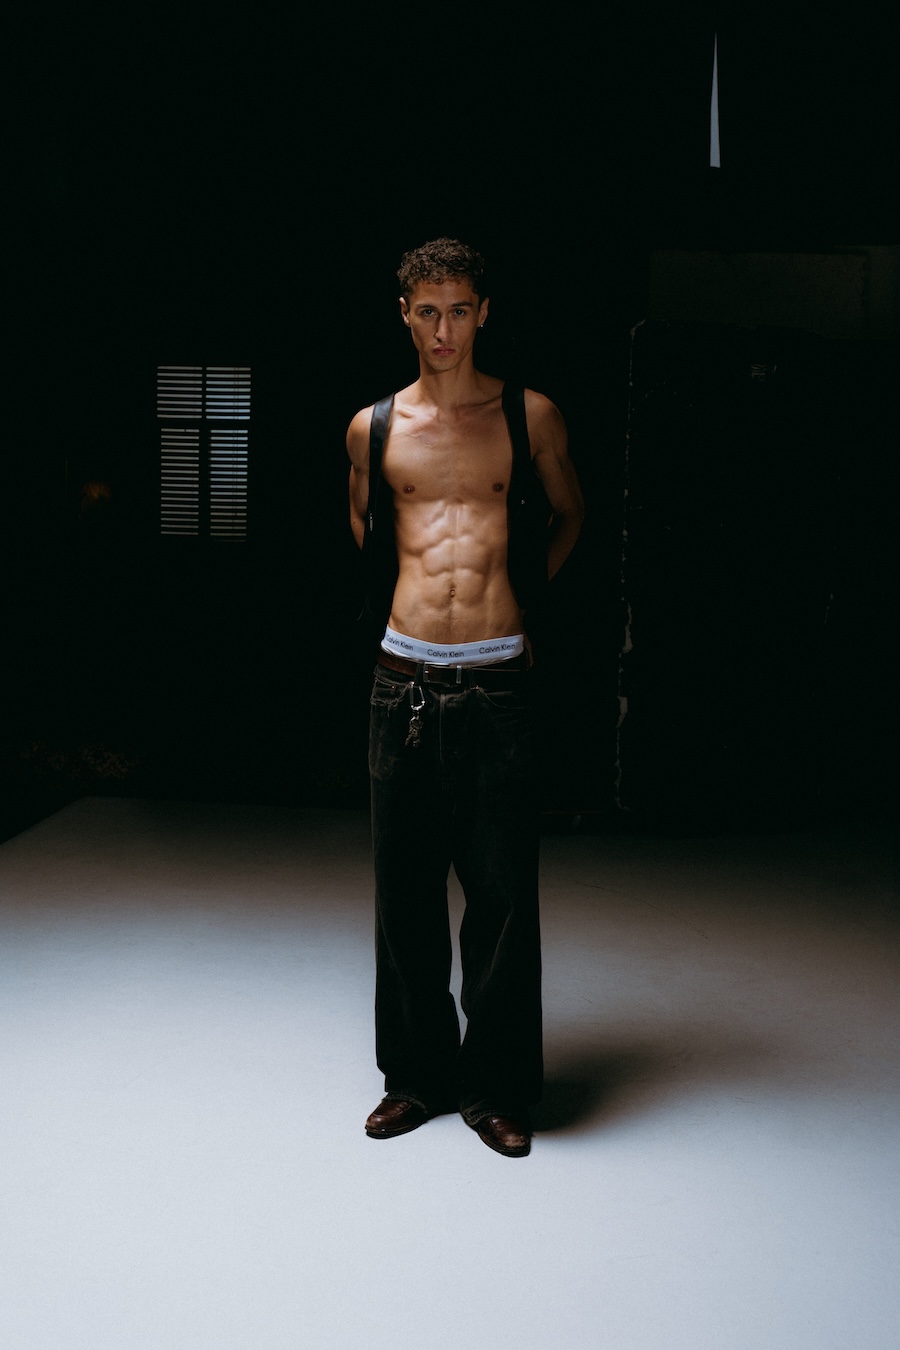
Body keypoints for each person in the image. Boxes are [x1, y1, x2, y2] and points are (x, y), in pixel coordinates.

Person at [347, 238, 584, 1157]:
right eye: (426, 312)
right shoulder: (373, 427)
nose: (442, 330)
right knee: (403, 895)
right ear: (403, 316)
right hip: (402, 681)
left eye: (458, 310)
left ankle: (496, 1088)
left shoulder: (530, 416)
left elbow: (570, 513)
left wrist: (521, 603)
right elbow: (368, 534)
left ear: (483, 313)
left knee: (502, 897)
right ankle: (415, 1078)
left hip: (497, 684)